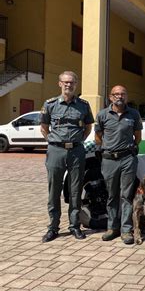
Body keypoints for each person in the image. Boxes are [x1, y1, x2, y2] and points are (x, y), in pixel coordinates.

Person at [40, 71, 94, 242]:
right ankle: (53, 227)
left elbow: (88, 127)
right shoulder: (50, 104)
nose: (68, 85)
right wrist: (54, 142)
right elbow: (44, 127)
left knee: (76, 190)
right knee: (54, 189)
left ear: (76, 84)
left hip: (77, 151)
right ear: (59, 84)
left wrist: (78, 141)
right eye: (65, 82)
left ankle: (74, 226)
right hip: (56, 150)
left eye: (72, 82)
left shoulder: (84, 105)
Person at [95, 85, 143, 245]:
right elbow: (98, 137)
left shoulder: (134, 114)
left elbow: (138, 137)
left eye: (122, 94)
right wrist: (107, 150)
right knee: (111, 195)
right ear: (110, 97)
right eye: (116, 94)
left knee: (126, 196)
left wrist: (131, 150)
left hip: (127, 159)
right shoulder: (102, 115)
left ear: (126, 96)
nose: (119, 97)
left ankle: (126, 230)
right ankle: (112, 228)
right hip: (109, 160)